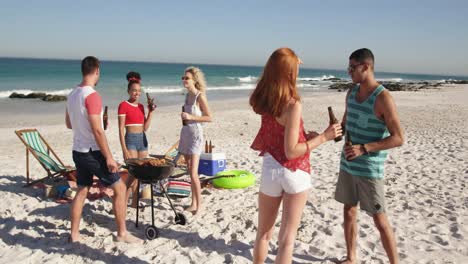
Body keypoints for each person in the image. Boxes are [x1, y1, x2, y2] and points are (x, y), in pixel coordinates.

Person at [250, 47, 342, 264]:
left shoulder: (264, 99)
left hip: (271, 169)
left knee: (263, 234)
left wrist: (302, 134)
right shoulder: (292, 103)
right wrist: (324, 137)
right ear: (290, 73)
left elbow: (281, 134)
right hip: (295, 171)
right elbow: (291, 151)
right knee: (287, 240)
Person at [335, 48, 404, 264]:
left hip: (370, 170)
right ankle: (351, 257)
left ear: (366, 67)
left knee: (380, 219)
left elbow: (398, 138)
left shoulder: (383, 98)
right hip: (347, 165)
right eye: (348, 68)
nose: (349, 72)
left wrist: (364, 148)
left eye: (352, 68)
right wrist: (333, 131)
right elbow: (345, 125)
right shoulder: (351, 93)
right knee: (348, 211)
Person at [65, 56, 139, 243]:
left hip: (78, 150)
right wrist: (109, 157)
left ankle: (74, 235)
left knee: (82, 190)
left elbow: (69, 123)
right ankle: (122, 233)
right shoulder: (92, 95)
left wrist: (87, 125)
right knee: (120, 188)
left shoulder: (73, 93)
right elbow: (98, 130)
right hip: (92, 151)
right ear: (96, 70)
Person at [118, 71, 155, 208]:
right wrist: (124, 149)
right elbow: (121, 129)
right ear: (128, 90)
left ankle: (134, 203)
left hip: (142, 140)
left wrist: (150, 112)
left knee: (139, 175)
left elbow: (144, 128)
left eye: (139, 91)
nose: (137, 93)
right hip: (130, 140)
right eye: (134, 90)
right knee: (131, 174)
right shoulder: (123, 105)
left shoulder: (140, 106)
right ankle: (121, 203)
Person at [179, 66, 212, 215]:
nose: (184, 80)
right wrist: (184, 118)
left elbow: (209, 117)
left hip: (196, 136)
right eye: (183, 78)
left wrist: (191, 117)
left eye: (187, 78)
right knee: (188, 170)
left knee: (193, 173)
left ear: (194, 80)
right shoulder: (187, 96)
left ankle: (200, 206)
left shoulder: (200, 96)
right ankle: (193, 203)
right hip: (185, 133)